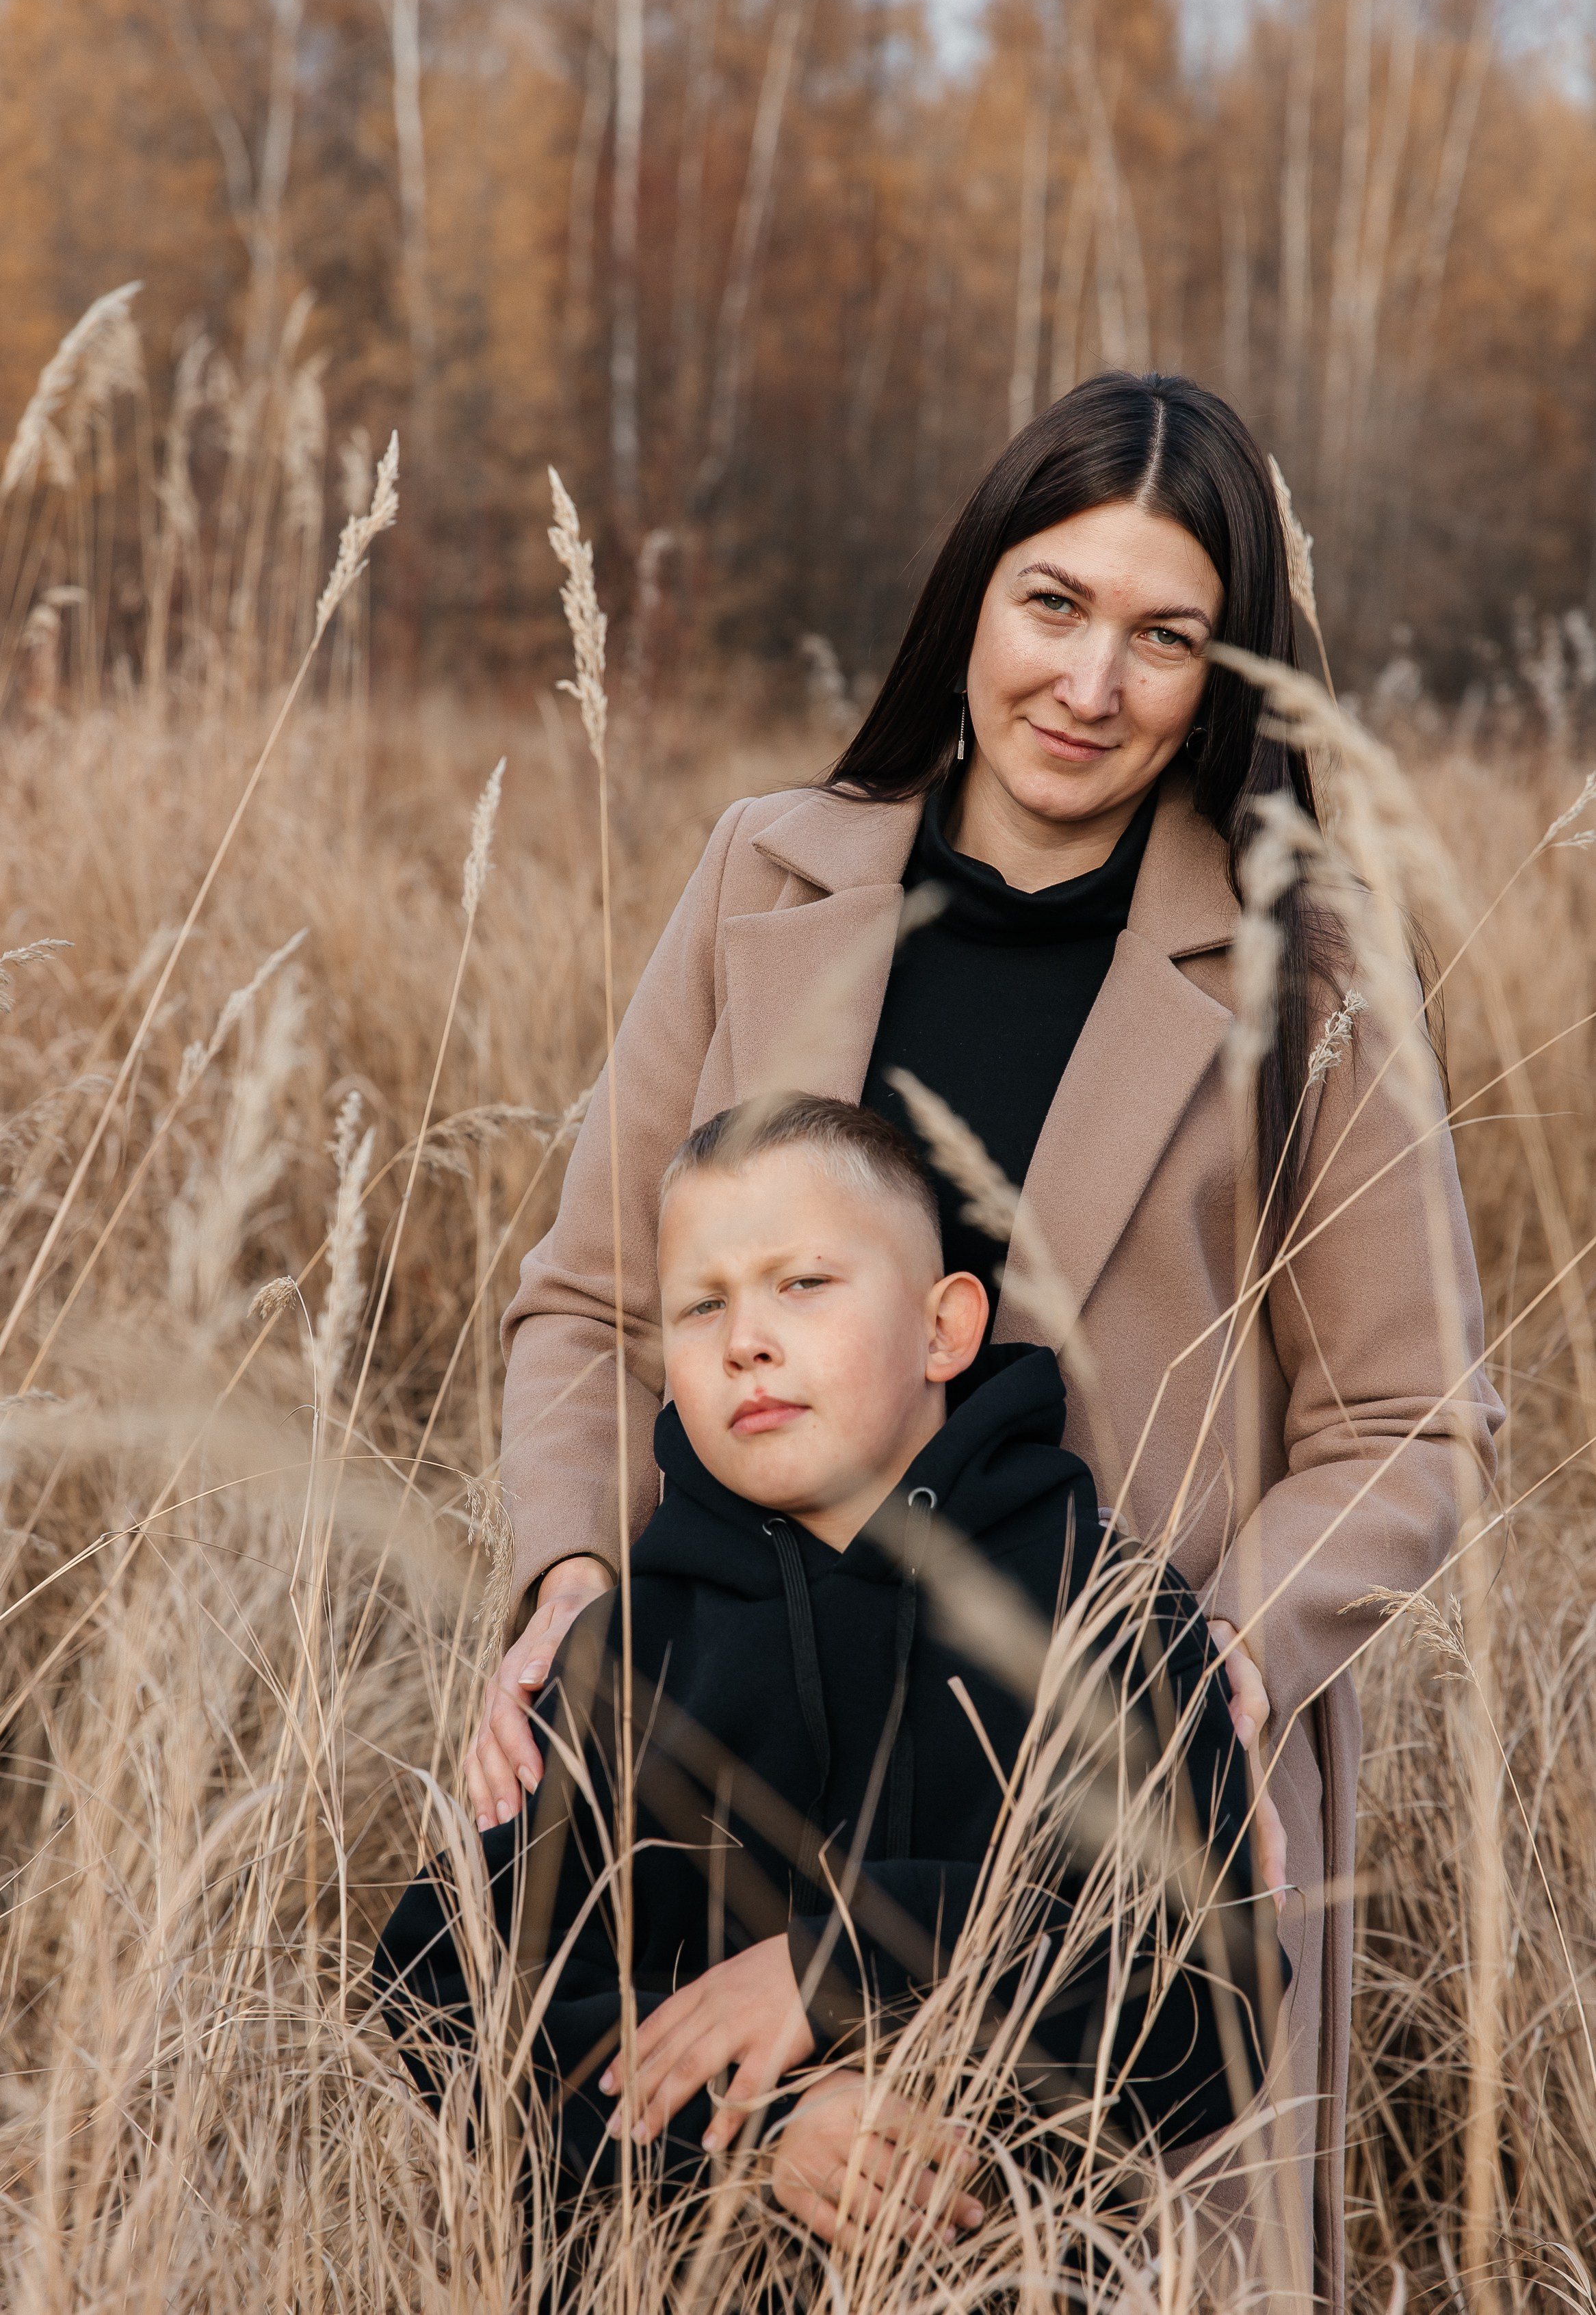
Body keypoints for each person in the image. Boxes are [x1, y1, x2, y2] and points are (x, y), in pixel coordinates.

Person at [473, 371, 1502, 2305]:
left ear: (1228, 673)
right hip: (734, 1746)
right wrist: (568, 1576)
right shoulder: (760, 874)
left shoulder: (1306, 964)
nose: (1089, 683)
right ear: (968, 596)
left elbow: (1411, 1414)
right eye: (1051, 603)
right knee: (696, 2202)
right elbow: (596, 1299)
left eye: (1163, 635)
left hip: (1095, 1844)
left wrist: (1211, 1664)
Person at [378, 1096, 1283, 2238]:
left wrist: (845, 1964)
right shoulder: (625, 1653)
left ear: (946, 1329)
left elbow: (1215, 1992)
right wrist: (759, 2131)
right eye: (701, 1304)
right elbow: (437, 1996)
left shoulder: (1102, 1614)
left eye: (801, 1283)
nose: (744, 1337)